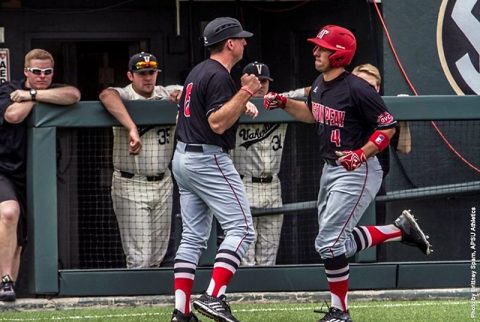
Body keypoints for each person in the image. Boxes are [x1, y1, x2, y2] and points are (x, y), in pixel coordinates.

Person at [263, 25, 432, 322]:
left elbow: (388, 127)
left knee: (328, 243)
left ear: (339, 55)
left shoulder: (358, 88)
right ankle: (398, 231)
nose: (315, 51)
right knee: (333, 242)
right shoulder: (319, 83)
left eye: (322, 48)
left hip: (360, 169)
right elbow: (314, 115)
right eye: (316, 46)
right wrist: (286, 103)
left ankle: (340, 312)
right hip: (331, 167)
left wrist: (360, 153)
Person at [171, 17, 261, 322]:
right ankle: (214, 296)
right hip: (206, 157)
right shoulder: (220, 75)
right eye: (241, 38)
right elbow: (217, 122)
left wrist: (240, 100)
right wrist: (247, 92)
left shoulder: (199, 71)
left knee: (193, 237)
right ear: (230, 43)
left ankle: (181, 313)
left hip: (183, 156)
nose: (245, 43)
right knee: (243, 229)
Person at [0, 48, 81, 301]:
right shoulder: (7, 89)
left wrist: (33, 95)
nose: (42, 76)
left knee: (22, 236)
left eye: (47, 72)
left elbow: (74, 95)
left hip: (35, 175)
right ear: (26, 71)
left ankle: (7, 288)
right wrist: (35, 99)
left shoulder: (43, 89)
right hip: (4, 168)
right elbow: (12, 115)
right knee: (9, 213)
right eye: (36, 72)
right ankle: (4, 280)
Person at [99, 52, 182, 269]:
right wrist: (131, 127)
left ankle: (149, 303)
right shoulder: (125, 94)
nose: (147, 77)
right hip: (130, 183)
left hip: (162, 182)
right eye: (142, 73)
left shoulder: (166, 93)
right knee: (140, 257)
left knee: (157, 254)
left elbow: (193, 91)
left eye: (151, 72)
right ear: (130, 75)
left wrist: (183, 96)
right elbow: (106, 95)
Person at [232, 61, 305, 266]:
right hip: (243, 183)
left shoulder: (278, 103)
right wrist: (241, 101)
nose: (261, 85)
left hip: (272, 185)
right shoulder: (231, 103)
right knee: (245, 256)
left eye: (264, 81)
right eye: (256, 80)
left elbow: (306, 94)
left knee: (268, 254)